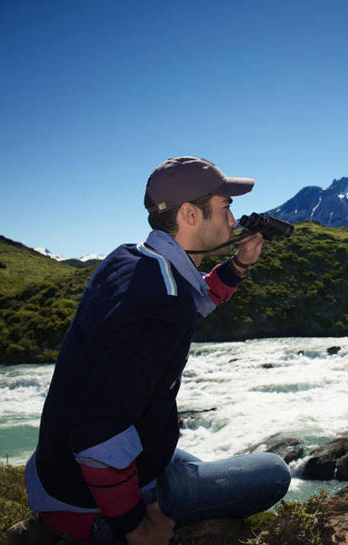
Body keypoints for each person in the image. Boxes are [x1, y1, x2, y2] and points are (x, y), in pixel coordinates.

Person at [25, 157, 291, 544]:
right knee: (273, 472)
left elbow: (195, 296)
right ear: (189, 214)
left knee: (202, 466)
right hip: (86, 497)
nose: (234, 221)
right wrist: (136, 526)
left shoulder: (131, 259)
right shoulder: (160, 306)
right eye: (225, 208)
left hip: (57, 471)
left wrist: (239, 265)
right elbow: (99, 434)